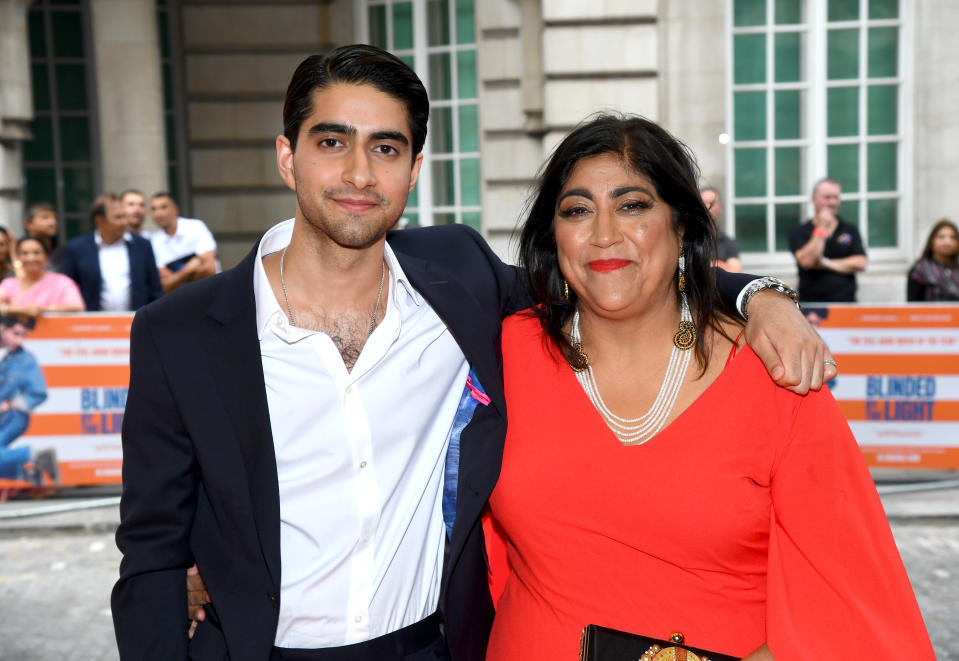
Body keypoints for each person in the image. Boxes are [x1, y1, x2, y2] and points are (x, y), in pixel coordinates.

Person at [113, 46, 831, 661]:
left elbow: (604, 273)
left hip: (433, 645)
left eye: (385, 147)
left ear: (414, 166)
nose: (359, 173)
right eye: (332, 142)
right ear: (286, 155)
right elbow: (148, 551)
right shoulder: (178, 334)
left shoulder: (457, 276)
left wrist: (754, 294)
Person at [483, 115, 932, 660]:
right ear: (553, 236)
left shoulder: (773, 371)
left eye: (633, 206)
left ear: (683, 229)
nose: (603, 233)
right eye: (577, 210)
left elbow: (848, 599)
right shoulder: (506, 352)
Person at [61, 194, 163, 312]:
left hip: (135, 323)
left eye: (125, 216)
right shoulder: (77, 248)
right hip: (91, 324)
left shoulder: (142, 245)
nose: (124, 222)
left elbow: (155, 289)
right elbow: (67, 289)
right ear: (99, 220)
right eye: (118, 217)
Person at [788, 178, 867, 302]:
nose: (833, 202)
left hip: (845, 304)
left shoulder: (849, 229)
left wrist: (825, 263)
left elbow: (861, 262)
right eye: (827, 197)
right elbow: (807, 261)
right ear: (814, 199)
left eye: (836, 197)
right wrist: (822, 228)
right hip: (812, 308)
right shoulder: (800, 231)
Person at [0, 315, 57, 486]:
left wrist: (11, 404)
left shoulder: (25, 360)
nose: (19, 340)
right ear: (2, 328)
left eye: (23, 335)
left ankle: (34, 454)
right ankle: (29, 473)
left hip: (12, 416)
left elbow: (39, 393)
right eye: (15, 333)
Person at [149, 192, 218, 293]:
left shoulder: (195, 227)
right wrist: (189, 268)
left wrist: (175, 277)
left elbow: (209, 269)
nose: (158, 213)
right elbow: (164, 286)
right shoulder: (153, 241)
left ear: (175, 210)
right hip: (179, 302)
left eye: (163, 207)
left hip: (210, 293)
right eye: (153, 209)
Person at [0, 237, 85, 318]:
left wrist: (43, 310)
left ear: (47, 257)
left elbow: (77, 306)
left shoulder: (62, 282)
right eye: (24, 253)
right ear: (18, 257)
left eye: (36, 253)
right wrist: (21, 310)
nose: (31, 258)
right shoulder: (9, 283)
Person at [907, 218, 959, 301]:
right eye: (941, 237)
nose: (947, 242)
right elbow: (913, 306)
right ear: (932, 241)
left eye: (953, 237)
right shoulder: (921, 269)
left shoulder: (956, 269)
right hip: (932, 314)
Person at [699, 186, 741, 272]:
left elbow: (735, 270)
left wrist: (704, 264)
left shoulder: (728, 242)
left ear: (720, 207)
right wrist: (720, 265)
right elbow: (682, 271)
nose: (707, 207)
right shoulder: (686, 239)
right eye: (703, 203)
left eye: (711, 203)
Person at [23, 202, 64, 272]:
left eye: (55, 218)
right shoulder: (17, 252)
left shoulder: (64, 252)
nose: (53, 222)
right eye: (45, 218)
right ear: (28, 223)